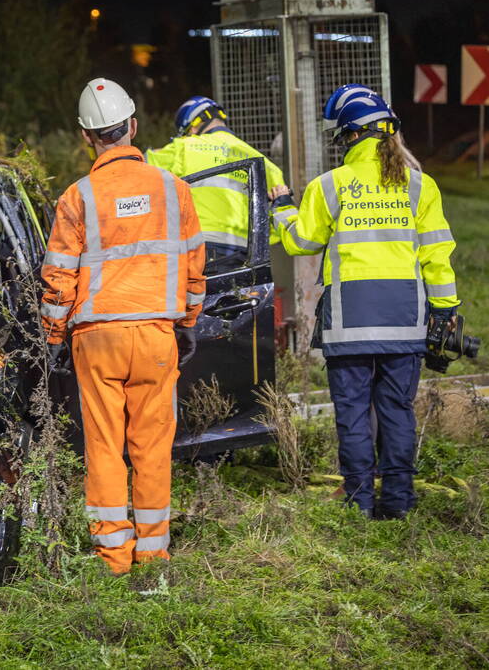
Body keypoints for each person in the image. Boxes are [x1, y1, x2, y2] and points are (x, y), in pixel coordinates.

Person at [270, 85, 461, 520]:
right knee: (396, 411)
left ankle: (358, 502)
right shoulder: (420, 185)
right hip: (404, 318)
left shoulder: (329, 185)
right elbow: (437, 254)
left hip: (349, 319)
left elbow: (301, 242)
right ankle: (398, 503)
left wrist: (282, 207)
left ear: (349, 136)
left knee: (353, 413)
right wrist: (446, 308)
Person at [40, 78, 206, 574]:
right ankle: (153, 556)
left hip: (96, 339)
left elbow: (58, 279)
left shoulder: (77, 197)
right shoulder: (174, 191)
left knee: (105, 447)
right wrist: (188, 321)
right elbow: (196, 270)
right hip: (156, 335)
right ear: (133, 126)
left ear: (87, 136)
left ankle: (114, 559)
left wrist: (52, 338)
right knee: (152, 448)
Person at [145, 96, 294, 262]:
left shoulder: (184, 147)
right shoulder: (264, 163)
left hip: (198, 246)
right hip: (248, 254)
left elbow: (139, 167)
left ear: (192, 128)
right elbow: (278, 212)